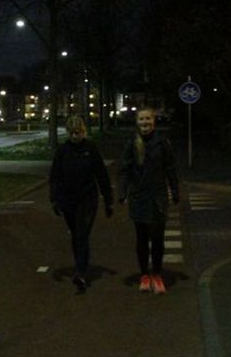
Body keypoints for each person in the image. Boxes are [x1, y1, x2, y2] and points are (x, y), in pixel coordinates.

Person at [117, 107, 179, 295]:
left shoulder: (162, 143)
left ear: (154, 121)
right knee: (142, 238)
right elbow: (125, 169)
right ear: (137, 122)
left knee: (158, 238)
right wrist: (122, 192)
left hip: (158, 197)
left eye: (148, 119)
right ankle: (145, 274)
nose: (145, 123)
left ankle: (157, 274)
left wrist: (175, 191)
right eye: (142, 119)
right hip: (139, 197)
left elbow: (170, 167)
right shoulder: (132, 143)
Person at [49, 115, 113, 291]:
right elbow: (55, 177)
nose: (75, 136)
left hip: (87, 199)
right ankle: (80, 264)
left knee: (82, 234)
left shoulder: (91, 149)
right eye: (72, 133)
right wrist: (54, 199)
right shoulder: (63, 151)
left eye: (78, 132)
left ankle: (81, 271)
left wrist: (109, 201)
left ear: (84, 131)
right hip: (69, 200)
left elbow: (101, 175)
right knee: (76, 234)